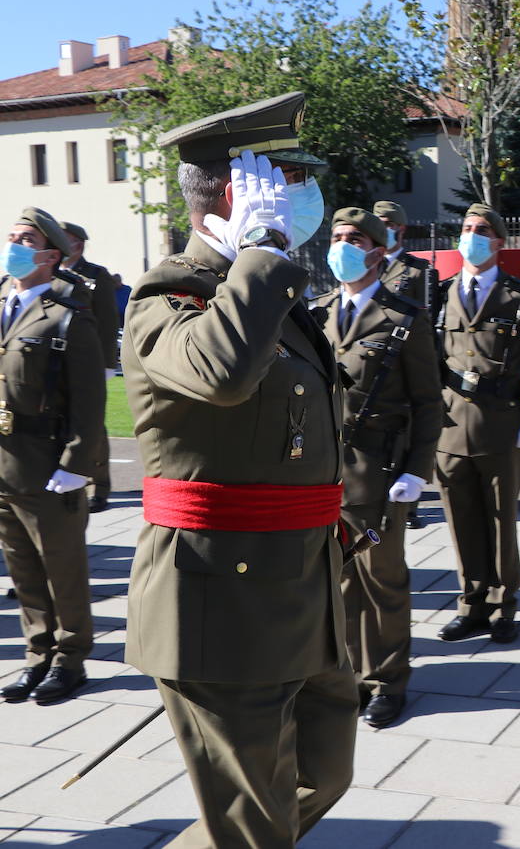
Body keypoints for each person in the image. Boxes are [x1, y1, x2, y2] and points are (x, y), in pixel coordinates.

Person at [123, 92, 357, 846]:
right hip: (220, 604)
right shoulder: (168, 298)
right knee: (257, 826)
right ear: (239, 194)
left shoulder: (272, 296)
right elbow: (222, 374)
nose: (306, 199)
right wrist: (259, 250)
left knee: (325, 775)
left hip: (303, 591)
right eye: (289, 181)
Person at [313, 207, 442, 729]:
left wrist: (418, 470)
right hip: (323, 475)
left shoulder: (405, 318)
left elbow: (429, 404)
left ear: (378, 249)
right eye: (338, 236)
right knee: (339, 583)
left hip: (381, 472)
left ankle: (388, 681)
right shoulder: (315, 313)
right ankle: (349, 676)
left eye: (355, 238)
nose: (343, 245)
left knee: (382, 580)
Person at [435, 203, 520, 645]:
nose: (472, 235)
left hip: (501, 425)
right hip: (449, 428)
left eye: (481, 229)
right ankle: (472, 604)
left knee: (501, 521)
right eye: (466, 228)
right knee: (461, 520)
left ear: (499, 241)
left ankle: (504, 606)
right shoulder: (442, 293)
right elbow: (432, 364)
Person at [0, 207, 104, 706]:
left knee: (62, 569)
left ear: (50, 256)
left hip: (47, 464)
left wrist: (75, 466)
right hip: (5, 463)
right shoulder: (3, 307)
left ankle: (70, 659)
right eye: (11, 236)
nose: (13, 246)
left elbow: (90, 402)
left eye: (25, 239)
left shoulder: (66, 315)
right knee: (22, 569)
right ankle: (36, 655)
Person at [372, 200, 432, 530]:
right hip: (373, 360)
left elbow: (426, 317)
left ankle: (409, 505)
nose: (382, 229)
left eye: (387, 223)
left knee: (406, 435)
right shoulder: (368, 264)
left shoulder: (418, 270)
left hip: (404, 359)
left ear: (400, 228)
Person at [59, 221, 119, 512]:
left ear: (78, 245)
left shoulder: (96, 276)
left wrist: (107, 364)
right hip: (58, 362)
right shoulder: (51, 273)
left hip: (89, 360)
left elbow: (108, 324)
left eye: (63, 239)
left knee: (93, 425)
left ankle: (99, 486)